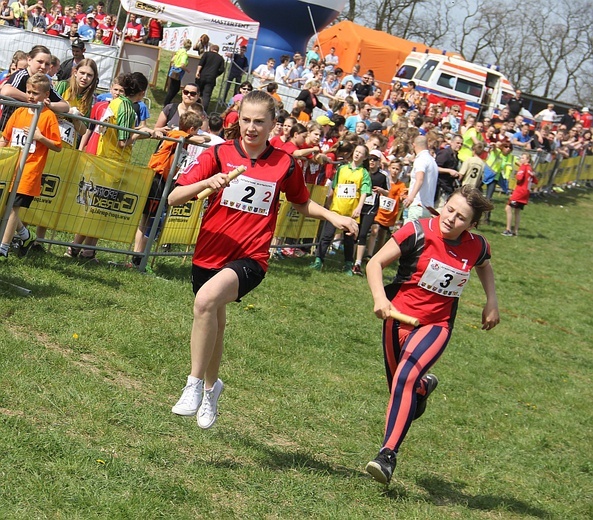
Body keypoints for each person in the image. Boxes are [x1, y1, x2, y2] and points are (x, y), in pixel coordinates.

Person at [167, 90, 358, 428]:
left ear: (273, 124)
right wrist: (206, 183)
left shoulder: (285, 163)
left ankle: (193, 385)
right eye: (245, 120)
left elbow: (300, 202)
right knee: (215, 322)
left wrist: (333, 217)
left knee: (206, 301)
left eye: (259, 122)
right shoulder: (219, 154)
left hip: (251, 256)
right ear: (237, 120)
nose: (251, 128)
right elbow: (174, 198)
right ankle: (212, 390)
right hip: (210, 252)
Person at [364, 185, 500, 484]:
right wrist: (380, 298)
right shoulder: (416, 231)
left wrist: (492, 301)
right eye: (450, 209)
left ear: (472, 224)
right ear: (443, 205)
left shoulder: (476, 246)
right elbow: (375, 263)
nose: (451, 218)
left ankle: (386, 455)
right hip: (397, 319)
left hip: (436, 325)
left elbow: (485, 266)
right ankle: (424, 387)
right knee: (401, 389)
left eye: (461, 217)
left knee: (404, 379)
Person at [66, 72, 148, 260]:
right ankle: (77, 248)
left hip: (103, 157)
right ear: (141, 93)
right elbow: (123, 141)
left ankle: (82, 250)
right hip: (113, 161)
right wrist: (142, 133)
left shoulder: (116, 103)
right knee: (99, 209)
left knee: (96, 207)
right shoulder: (128, 108)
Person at [0, 73, 62, 262]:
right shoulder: (20, 111)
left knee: (12, 209)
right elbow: (6, 137)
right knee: (4, 207)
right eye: (28, 92)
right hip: (11, 166)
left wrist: (40, 137)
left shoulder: (48, 117)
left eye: (35, 93)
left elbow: (57, 146)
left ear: (46, 95)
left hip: (30, 170)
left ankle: (3, 247)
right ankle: (26, 235)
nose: (30, 96)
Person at [129, 111, 203, 267]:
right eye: (197, 129)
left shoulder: (179, 134)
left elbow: (201, 138)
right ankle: (137, 255)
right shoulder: (178, 135)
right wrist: (198, 137)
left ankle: (138, 255)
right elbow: (200, 139)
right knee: (148, 219)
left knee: (149, 219)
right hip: (156, 178)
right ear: (191, 129)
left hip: (162, 179)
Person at [310, 143, 371, 273]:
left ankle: (348, 265)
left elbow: (365, 191)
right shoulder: (342, 169)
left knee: (349, 240)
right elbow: (334, 187)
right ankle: (318, 260)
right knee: (327, 235)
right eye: (356, 151)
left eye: (361, 153)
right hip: (336, 209)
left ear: (365, 157)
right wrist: (328, 202)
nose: (357, 154)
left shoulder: (364, 173)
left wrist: (359, 207)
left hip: (351, 212)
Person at [1, 45, 70, 132]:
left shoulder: (45, 83)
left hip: (29, 130)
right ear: (29, 60)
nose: (43, 67)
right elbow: (6, 91)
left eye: (47, 64)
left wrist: (49, 105)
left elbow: (65, 106)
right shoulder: (22, 75)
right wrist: (35, 100)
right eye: (40, 62)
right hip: (8, 128)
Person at [352, 148, 388, 275]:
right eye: (370, 159)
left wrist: (381, 191)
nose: (372, 161)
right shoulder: (363, 172)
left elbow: (389, 192)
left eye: (375, 159)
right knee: (354, 232)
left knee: (363, 234)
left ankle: (358, 262)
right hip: (358, 206)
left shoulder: (383, 177)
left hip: (371, 208)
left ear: (379, 162)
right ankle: (350, 259)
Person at [403, 135, 438, 223]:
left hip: (417, 205)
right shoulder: (432, 161)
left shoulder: (420, 160)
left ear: (414, 145)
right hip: (428, 207)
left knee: (407, 235)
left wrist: (411, 197)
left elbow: (420, 179)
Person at [502, 153, 538, 236]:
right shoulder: (530, 168)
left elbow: (519, 178)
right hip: (526, 192)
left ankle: (508, 230)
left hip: (520, 191)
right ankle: (516, 231)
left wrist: (518, 175)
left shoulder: (523, 167)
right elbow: (535, 181)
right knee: (517, 211)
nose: (521, 159)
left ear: (527, 160)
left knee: (508, 208)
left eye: (522, 158)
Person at [435, 134, 462, 210]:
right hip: (441, 187)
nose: (459, 145)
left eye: (461, 144)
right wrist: (449, 171)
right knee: (438, 209)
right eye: (458, 143)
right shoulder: (445, 153)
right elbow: (435, 168)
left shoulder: (455, 156)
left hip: (448, 187)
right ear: (452, 142)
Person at [195, 44, 225, 112]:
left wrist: (197, 72)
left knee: (197, 92)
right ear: (217, 50)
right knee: (206, 95)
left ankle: (194, 106)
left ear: (211, 49)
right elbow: (222, 70)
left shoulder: (206, 54)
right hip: (211, 78)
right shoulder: (220, 58)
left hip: (202, 76)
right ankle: (203, 110)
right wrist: (216, 74)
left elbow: (201, 63)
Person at [163, 39, 192, 106]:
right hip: (178, 72)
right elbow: (182, 65)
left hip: (173, 70)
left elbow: (172, 60)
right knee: (174, 89)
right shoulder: (184, 54)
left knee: (173, 88)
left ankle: (167, 102)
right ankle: (167, 103)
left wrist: (174, 65)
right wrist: (187, 70)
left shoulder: (179, 51)